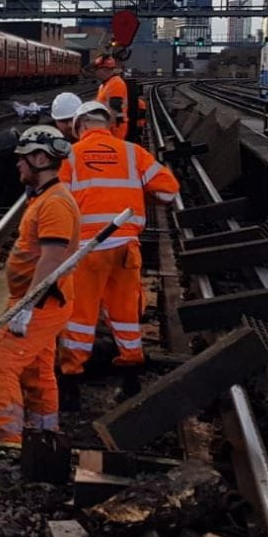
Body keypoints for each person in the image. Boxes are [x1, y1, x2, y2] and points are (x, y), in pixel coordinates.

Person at [57, 102, 180, 377]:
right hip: (126, 246)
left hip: (87, 249)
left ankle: (72, 368)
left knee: (80, 312)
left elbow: (57, 204)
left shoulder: (71, 156)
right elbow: (169, 192)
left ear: (81, 126)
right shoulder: (133, 153)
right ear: (107, 125)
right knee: (124, 306)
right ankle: (131, 357)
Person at [0, 126, 80, 446]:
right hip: (40, 300)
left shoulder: (55, 204)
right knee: (37, 372)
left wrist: (27, 306)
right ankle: (44, 435)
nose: (18, 165)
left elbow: (51, 259)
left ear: (40, 158)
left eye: (23, 158)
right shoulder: (47, 198)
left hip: (40, 303)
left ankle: (8, 442)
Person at [92, 55, 129, 140]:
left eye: (97, 69)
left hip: (115, 128)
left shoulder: (116, 83)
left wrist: (105, 127)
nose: (95, 72)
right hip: (108, 127)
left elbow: (114, 109)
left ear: (104, 69)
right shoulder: (105, 84)